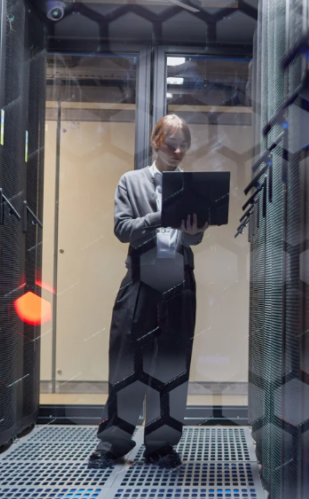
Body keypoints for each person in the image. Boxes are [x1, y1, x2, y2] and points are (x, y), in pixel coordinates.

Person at [88, 114, 208, 469]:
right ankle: (114, 443)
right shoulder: (131, 181)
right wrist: (160, 215)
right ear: (156, 140)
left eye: (184, 144)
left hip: (179, 283)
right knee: (127, 362)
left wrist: (194, 229)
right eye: (172, 143)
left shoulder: (192, 184)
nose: (178, 150)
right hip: (140, 282)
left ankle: (161, 446)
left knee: (172, 365)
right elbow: (123, 229)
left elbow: (194, 237)